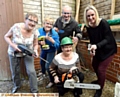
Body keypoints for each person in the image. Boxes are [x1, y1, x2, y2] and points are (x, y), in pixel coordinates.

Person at [84, 5, 117, 97]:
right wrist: (91, 49)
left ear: (96, 14)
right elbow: (92, 40)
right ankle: (100, 80)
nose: (90, 18)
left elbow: (107, 39)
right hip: (98, 49)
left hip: (109, 49)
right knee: (94, 65)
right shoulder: (89, 26)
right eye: (88, 16)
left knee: (101, 69)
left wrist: (96, 46)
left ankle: (99, 89)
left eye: (92, 15)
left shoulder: (103, 23)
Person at [4, 12, 39, 93]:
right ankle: (17, 86)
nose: (33, 23)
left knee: (31, 71)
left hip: (28, 52)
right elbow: (6, 36)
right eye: (30, 20)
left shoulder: (35, 31)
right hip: (14, 52)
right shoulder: (16, 27)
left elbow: (36, 44)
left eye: (35, 22)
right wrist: (13, 45)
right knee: (15, 71)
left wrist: (35, 50)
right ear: (25, 20)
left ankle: (35, 90)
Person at [38, 17, 60, 88]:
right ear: (43, 24)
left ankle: (52, 81)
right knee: (41, 63)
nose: (49, 25)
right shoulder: (39, 31)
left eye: (51, 24)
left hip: (51, 51)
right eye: (47, 23)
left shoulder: (54, 33)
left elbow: (58, 45)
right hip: (44, 50)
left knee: (48, 66)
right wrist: (39, 42)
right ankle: (43, 74)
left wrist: (52, 40)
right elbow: (36, 40)